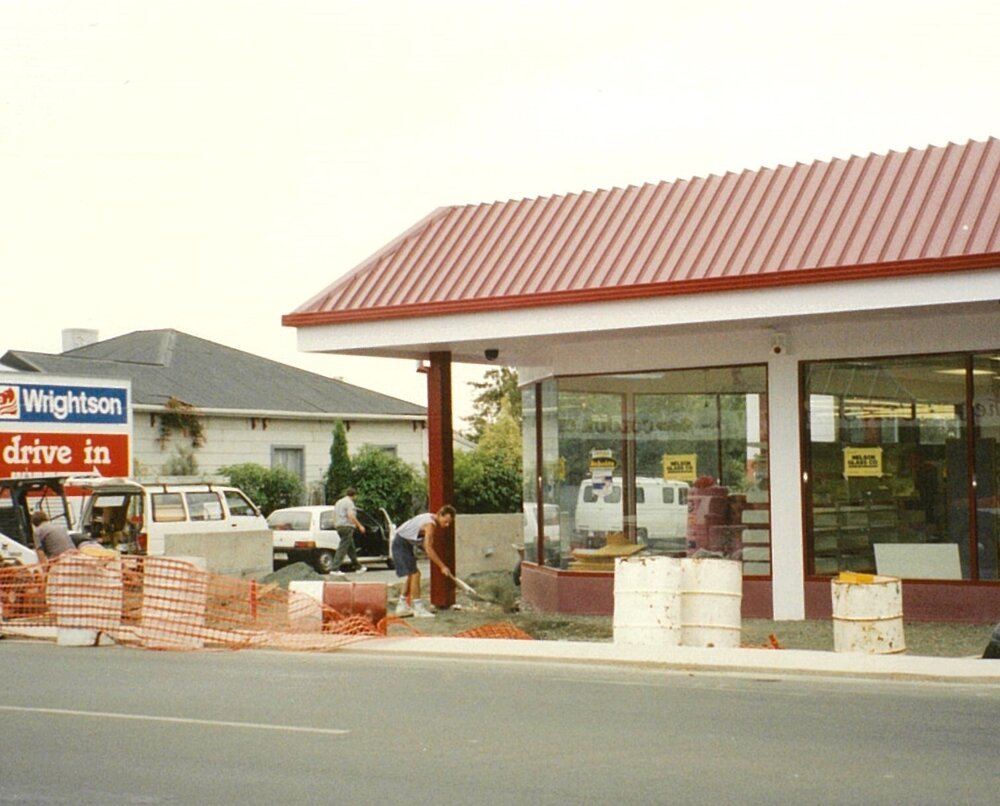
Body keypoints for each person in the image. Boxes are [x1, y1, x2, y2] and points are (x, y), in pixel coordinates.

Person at [392, 504, 456, 618]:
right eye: (445, 521)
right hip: (400, 543)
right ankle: (418, 608)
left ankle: (402, 606)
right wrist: (442, 566)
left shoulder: (431, 517)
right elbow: (428, 548)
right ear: (439, 514)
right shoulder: (430, 525)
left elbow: (425, 545)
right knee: (415, 574)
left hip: (405, 542)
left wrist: (429, 551)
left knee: (412, 575)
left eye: (449, 523)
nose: (446, 525)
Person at [330, 487, 366, 576]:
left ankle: (358, 567)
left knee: (351, 548)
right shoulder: (349, 503)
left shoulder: (339, 502)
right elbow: (351, 515)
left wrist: (335, 523)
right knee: (343, 547)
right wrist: (359, 525)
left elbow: (333, 514)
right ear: (355, 495)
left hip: (339, 526)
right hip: (347, 527)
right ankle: (335, 568)